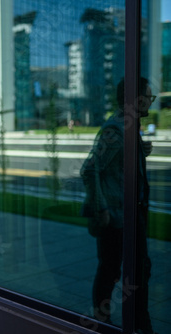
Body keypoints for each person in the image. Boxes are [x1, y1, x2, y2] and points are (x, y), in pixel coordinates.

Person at [80, 77, 156, 334]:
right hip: (116, 216)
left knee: (136, 271)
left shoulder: (128, 128)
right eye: (149, 96)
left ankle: (134, 323)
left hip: (130, 214)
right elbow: (90, 170)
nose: (151, 101)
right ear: (136, 99)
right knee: (112, 271)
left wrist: (138, 151)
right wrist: (101, 210)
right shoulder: (114, 130)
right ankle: (107, 324)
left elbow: (118, 166)